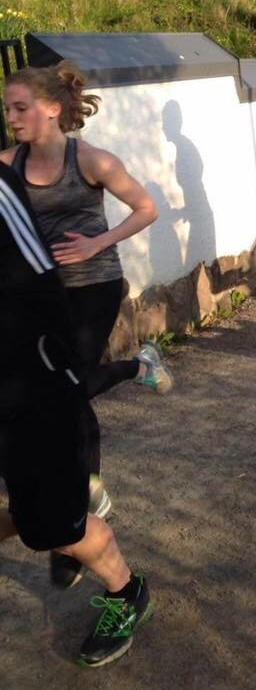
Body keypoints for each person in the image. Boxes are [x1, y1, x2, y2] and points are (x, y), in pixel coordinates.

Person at [1, 61, 172, 588]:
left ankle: (77, 511)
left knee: (69, 388)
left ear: (53, 109)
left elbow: (146, 209)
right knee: (62, 392)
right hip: (41, 299)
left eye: (21, 108)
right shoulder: (7, 165)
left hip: (94, 287)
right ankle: (80, 504)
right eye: (8, 109)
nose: (11, 118)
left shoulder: (91, 160)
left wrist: (97, 242)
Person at [0, 161, 153, 667]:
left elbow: (41, 285)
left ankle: (125, 590)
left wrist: (51, 377)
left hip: (29, 385)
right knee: (40, 520)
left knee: (58, 529)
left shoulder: (12, 183)